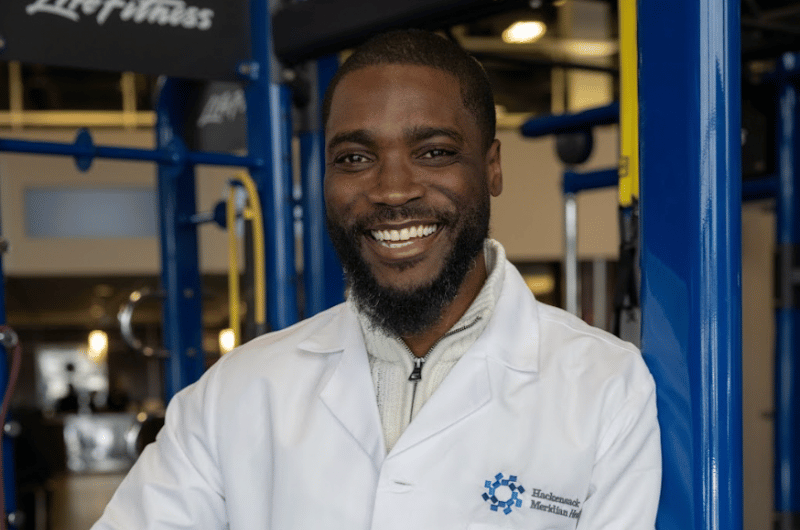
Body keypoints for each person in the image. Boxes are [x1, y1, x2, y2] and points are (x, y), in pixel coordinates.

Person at [93, 29, 661, 529]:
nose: (392, 190)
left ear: (491, 167)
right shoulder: (235, 396)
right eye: (354, 159)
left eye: (434, 152)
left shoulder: (604, 388)